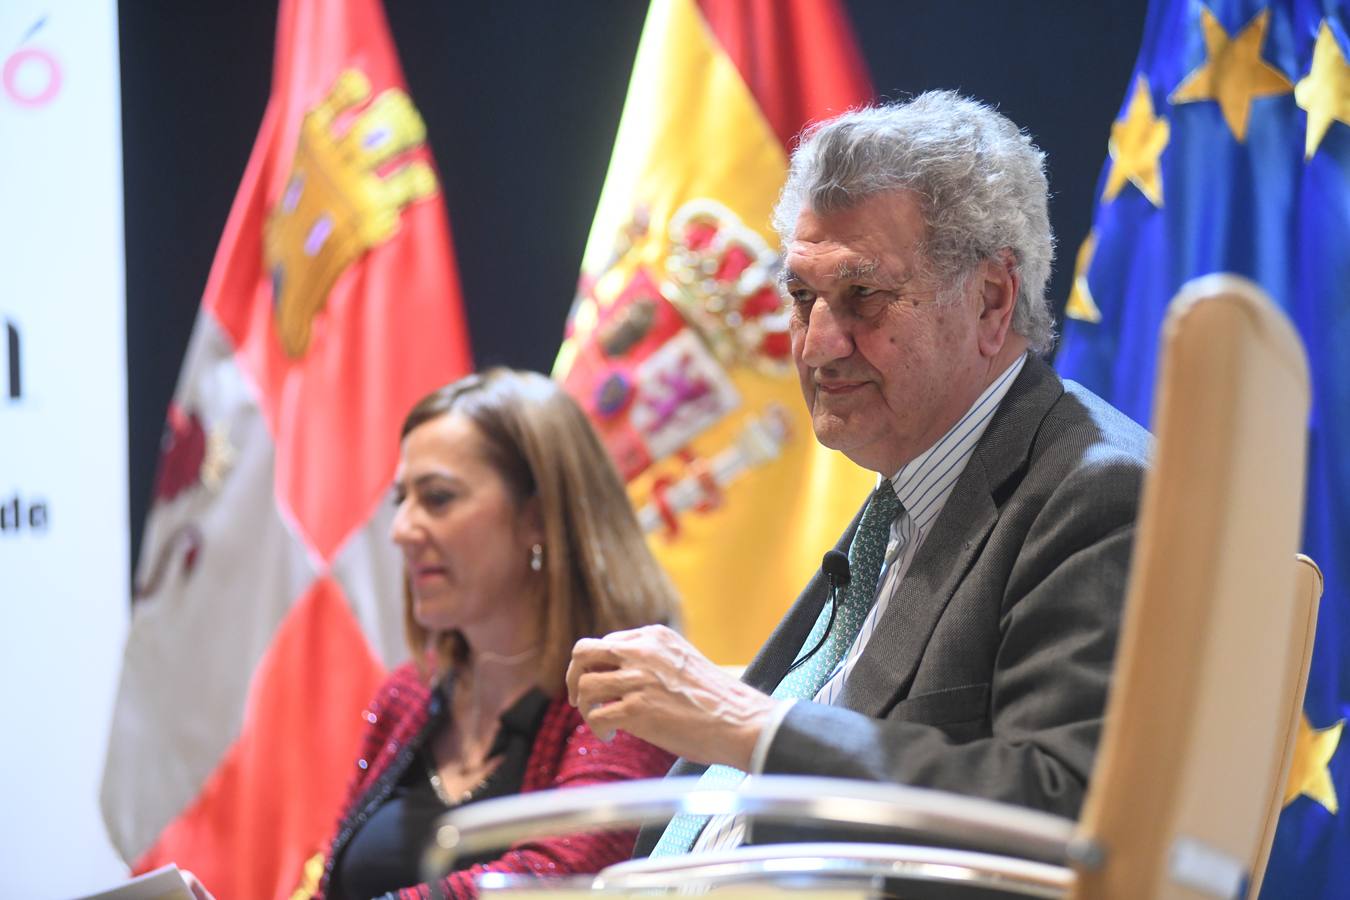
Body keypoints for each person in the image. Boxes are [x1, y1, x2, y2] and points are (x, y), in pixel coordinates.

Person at [566, 91, 1152, 855]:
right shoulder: (909, 494)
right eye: (803, 298)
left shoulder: (1093, 491)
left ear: (991, 300)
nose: (815, 346)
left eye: (861, 298)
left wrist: (748, 724)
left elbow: (1058, 808)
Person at [312, 368, 681, 897]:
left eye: (437, 498)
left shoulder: (630, 692)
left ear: (539, 517)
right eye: (402, 501)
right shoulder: (406, 695)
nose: (401, 530)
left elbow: (558, 880)